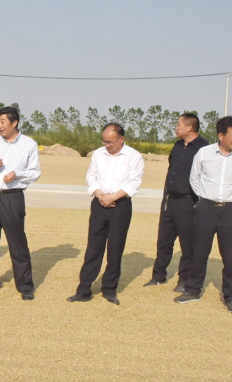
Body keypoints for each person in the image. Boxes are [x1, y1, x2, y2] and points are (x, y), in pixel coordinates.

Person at [175, 116, 232, 314]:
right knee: (199, 252)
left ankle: (231, 297)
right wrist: (206, 199)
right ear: (221, 135)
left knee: (231, 257)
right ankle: (193, 290)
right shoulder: (204, 153)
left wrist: (230, 202)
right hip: (206, 209)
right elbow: (194, 179)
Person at [67, 123, 144, 305]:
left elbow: (134, 182)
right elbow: (90, 176)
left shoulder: (134, 156)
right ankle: (84, 289)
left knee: (115, 248)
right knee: (93, 247)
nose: (107, 145)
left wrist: (113, 197)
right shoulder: (98, 154)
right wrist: (99, 194)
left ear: (121, 139)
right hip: (99, 204)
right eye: (104, 141)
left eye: (110, 142)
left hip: (121, 205)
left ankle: (109, 289)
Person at [0, 106, 41, 300]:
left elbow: (35, 172)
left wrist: (16, 174)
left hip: (12, 197)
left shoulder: (29, 144)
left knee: (17, 242)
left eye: (3, 121)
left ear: (14, 123)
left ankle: (25, 286)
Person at [144, 113, 209, 292]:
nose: (176, 127)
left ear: (189, 127)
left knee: (187, 244)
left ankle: (184, 280)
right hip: (169, 200)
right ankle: (158, 276)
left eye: (178, 124)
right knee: (163, 241)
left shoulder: (204, 149)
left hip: (188, 202)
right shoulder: (178, 145)